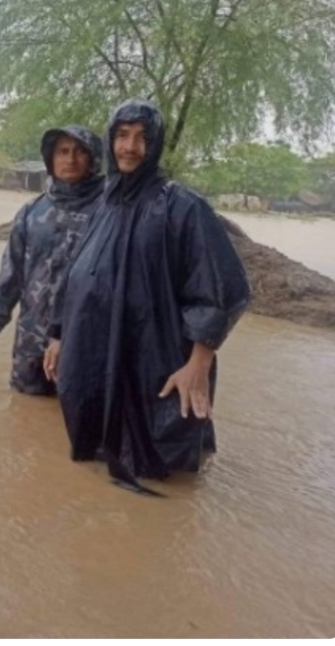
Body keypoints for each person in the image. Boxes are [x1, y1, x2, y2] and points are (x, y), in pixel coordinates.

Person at [43, 99, 250, 490]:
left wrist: (198, 364)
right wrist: (58, 334)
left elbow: (222, 290)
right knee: (97, 461)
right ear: (110, 140)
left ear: (155, 145)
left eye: (142, 138)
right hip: (96, 352)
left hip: (156, 360)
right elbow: (77, 274)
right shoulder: (105, 203)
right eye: (122, 136)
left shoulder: (182, 207)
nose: (130, 147)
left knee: (162, 467)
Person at [0, 125, 105, 395]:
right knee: (25, 416)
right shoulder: (31, 212)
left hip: (84, 343)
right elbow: (11, 274)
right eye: (63, 151)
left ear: (94, 159)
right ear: (50, 158)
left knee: (79, 418)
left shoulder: (109, 213)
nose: (70, 159)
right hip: (30, 340)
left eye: (80, 152)